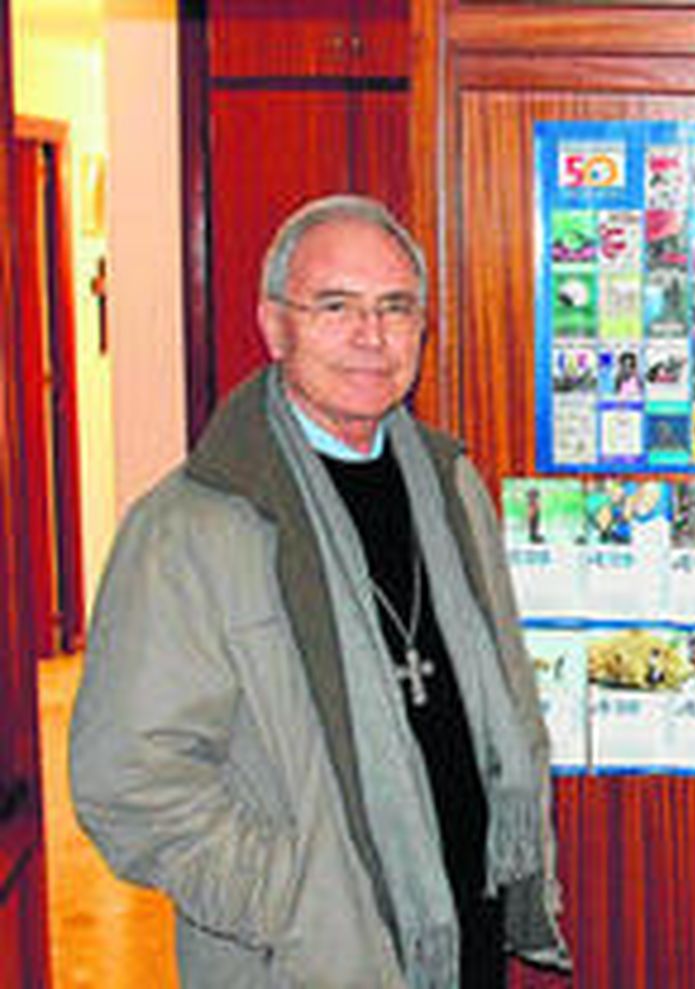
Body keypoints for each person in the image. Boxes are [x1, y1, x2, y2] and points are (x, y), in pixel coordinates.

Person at [71, 195, 569, 986]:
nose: (371, 336)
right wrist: (296, 898)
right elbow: (130, 779)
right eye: (335, 305)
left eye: (396, 308)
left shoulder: (451, 487)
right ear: (275, 325)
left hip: (463, 934)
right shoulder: (190, 527)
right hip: (303, 959)